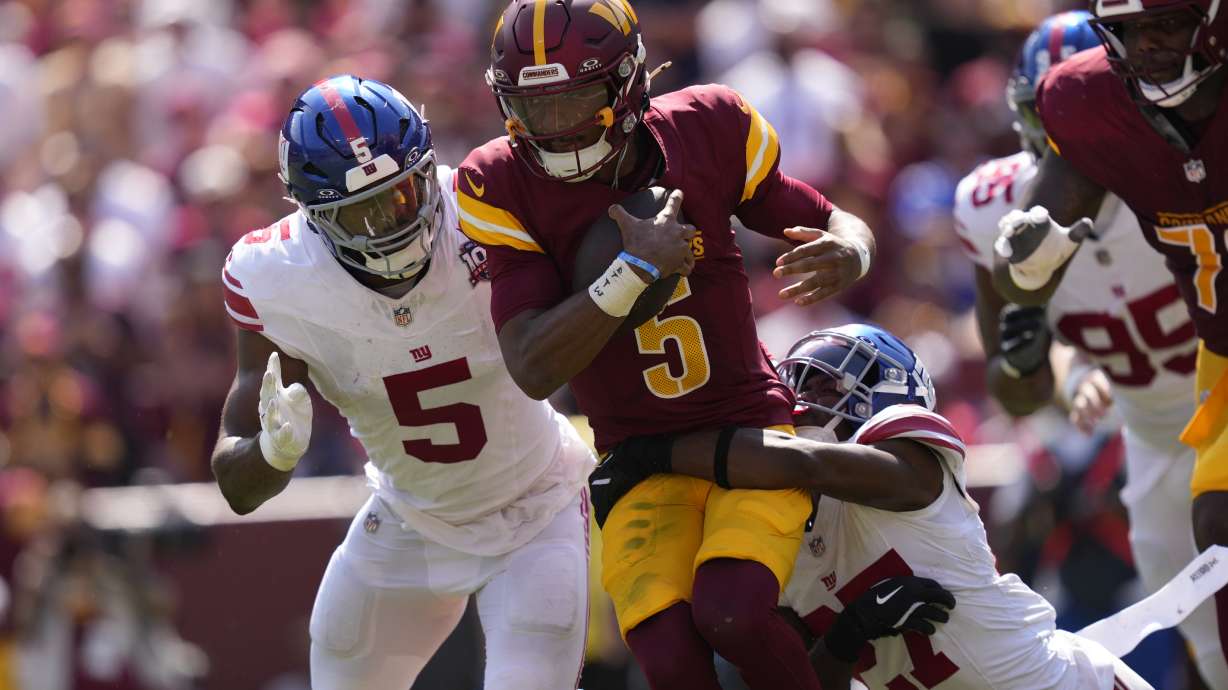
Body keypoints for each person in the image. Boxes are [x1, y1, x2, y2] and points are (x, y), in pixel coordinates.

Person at [457, 2, 877, 688]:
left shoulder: (708, 125)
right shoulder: (499, 180)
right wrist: (636, 272)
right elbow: (533, 365)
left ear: (626, 83)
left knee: (733, 615)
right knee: (668, 660)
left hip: (748, 429)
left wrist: (853, 249)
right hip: (637, 459)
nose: (555, 129)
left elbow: (830, 218)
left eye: (575, 102)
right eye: (536, 110)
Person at [210, 75, 596, 690]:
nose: (389, 223)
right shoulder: (273, 276)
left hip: (536, 506)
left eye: (401, 193)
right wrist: (274, 451)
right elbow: (237, 484)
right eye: (359, 212)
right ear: (312, 214)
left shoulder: (486, 209)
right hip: (409, 518)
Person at [589, 324, 1156, 689]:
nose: (806, 398)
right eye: (800, 382)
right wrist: (848, 634)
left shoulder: (906, 461)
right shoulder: (768, 526)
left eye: (831, 387)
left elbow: (805, 463)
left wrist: (651, 453)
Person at [954, 11, 1226, 685]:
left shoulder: (1162, 169)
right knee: (1198, 633)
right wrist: (1032, 358)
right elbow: (1018, 389)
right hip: (1150, 433)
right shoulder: (1003, 212)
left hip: (1209, 388)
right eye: (1040, 128)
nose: (1057, 145)